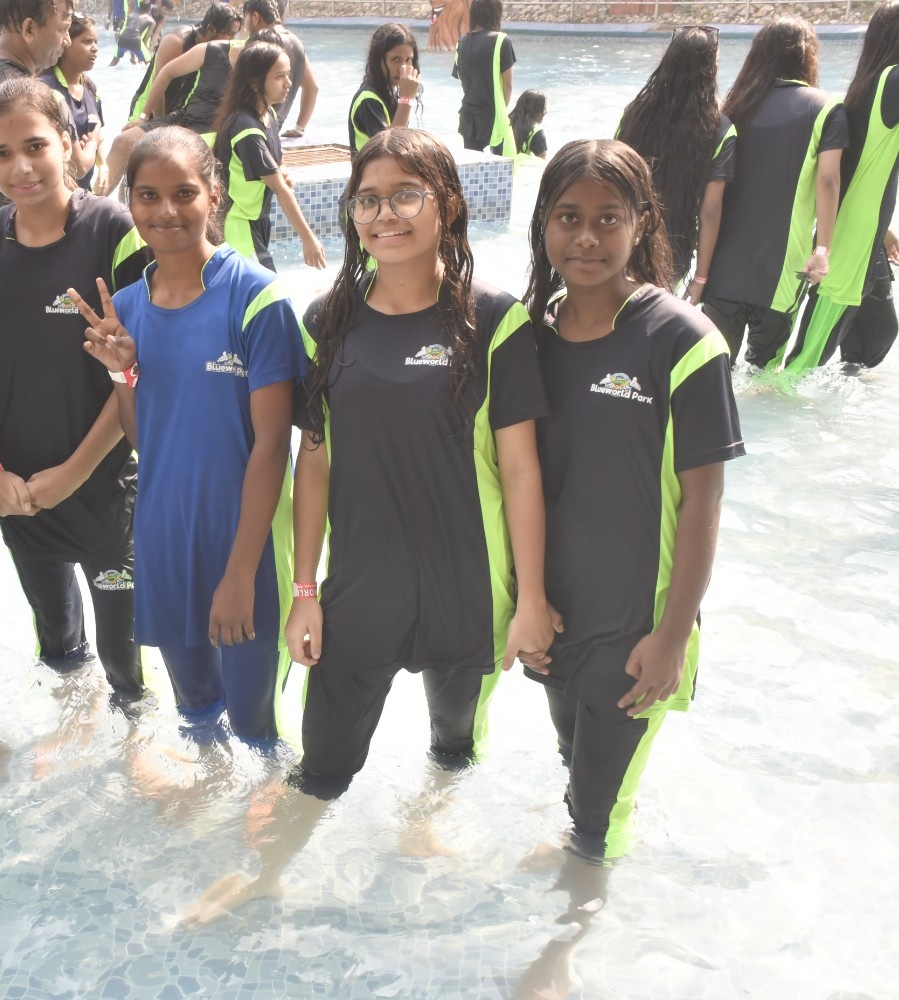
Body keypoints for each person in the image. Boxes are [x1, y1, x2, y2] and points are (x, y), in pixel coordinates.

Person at [181, 127, 554, 927]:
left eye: (406, 195)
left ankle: (424, 821)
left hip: (469, 588)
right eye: (368, 200)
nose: (385, 215)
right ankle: (267, 875)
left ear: (448, 204)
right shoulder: (327, 320)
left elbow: (522, 470)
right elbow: (311, 460)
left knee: (455, 741)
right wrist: (304, 591)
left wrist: (531, 599)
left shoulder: (496, 321)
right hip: (362, 589)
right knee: (323, 764)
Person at [522, 139, 743, 863]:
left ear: (641, 223)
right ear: (543, 224)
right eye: (568, 217)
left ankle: (579, 922)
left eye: (608, 218)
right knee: (574, 762)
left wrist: (672, 636)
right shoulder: (530, 338)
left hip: (638, 625)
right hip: (556, 616)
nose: (586, 237)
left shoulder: (683, 341)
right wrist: (524, 602)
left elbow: (705, 499)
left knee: (596, 819)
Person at [72, 126, 304, 744]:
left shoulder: (255, 298)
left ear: (214, 194)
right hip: (165, 534)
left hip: (246, 542)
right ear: (130, 201)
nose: (166, 211)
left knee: (256, 728)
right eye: (148, 196)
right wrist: (123, 372)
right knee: (196, 712)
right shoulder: (126, 307)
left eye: (183, 193)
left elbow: (271, 449)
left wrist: (240, 574)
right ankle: (206, 807)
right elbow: (144, 439)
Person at [0, 78, 150, 703]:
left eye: (35, 146)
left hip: (104, 488)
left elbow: (138, 372)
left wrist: (74, 473)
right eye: (0, 153)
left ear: (69, 142)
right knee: (57, 643)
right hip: (20, 492)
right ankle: (75, 734)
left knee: (124, 660)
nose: (20, 167)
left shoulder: (113, 231)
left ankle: (131, 748)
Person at [787, 0, 899, 373]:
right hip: (850, 238)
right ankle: (776, 395)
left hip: (866, 230)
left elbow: (858, 166)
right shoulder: (894, 81)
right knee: (809, 358)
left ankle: (842, 393)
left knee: (877, 331)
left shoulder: (883, 81)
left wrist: (882, 227)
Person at [701, 17, 844, 367]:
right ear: (808, 55)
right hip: (782, 270)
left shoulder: (734, 108)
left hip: (724, 267)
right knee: (764, 373)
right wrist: (823, 249)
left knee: (713, 368)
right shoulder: (827, 107)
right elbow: (828, 180)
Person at [617, 25, 735, 293]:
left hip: (622, 242)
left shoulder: (633, 115)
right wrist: (700, 279)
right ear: (711, 69)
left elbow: (613, 175)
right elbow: (710, 211)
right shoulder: (720, 130)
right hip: (672, 254)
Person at [0, 0, 74, 233]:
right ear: (29, 29)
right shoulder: (20, 97)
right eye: (62, 29)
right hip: (19, 235)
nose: (67, 40)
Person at [212, 38, 325, 270]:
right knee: (265, 287)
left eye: (289, 75)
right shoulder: (247, 130)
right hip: (239, 224)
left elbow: (277, 161)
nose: (289, 83)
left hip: (257, 220)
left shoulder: (267, 115)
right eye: (279, 76)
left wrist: (282, 169)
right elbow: (280, 189)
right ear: (254, 83)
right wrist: (308, 238)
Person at [105, 4, 241, 192]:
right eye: (229, 34)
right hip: (149, 103)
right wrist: (152, 121)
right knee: (131, 156)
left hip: (174, 108)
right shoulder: (177, 41)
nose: (232, 40)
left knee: (150, 167)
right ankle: (107, 198)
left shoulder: (215, 51)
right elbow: (160, 85)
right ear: (210, 28)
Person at [42, 13, 105, 191]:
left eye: (96, 42)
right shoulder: (47, 88)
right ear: (66, 43)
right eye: (87, 41)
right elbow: (80, 168)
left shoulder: (90, 87)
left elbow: (96, 131)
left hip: (83, 191)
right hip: (57, 193)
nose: (95, 48)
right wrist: (92, 143)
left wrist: (103, 165)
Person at [240, 0, 316, 137]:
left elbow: (240, 86)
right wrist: (299, 128)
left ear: (255, 17)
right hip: (275, 127)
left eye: (245, 18)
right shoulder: (296, 41)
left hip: (253, 125)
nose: (244, 26)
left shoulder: (261, 41)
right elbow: (312, 88)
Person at [348, 23, 420, 156]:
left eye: (408, 60)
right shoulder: (368, 100)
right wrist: (406, 99)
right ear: (378, 60)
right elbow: (389, 152)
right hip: (371, 170)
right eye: (395, 59)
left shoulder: (391, 94)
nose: (403, 67)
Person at [454, 0, 514, 155]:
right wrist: (502, 110)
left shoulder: (462, 42)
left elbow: (461, 76)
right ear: (496, 13)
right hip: (493, 115)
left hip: (468, 116)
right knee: (501, 165)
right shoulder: (501, 40)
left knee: (473, 164)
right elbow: (508, 84)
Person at [109, 0, 151, 67]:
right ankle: (134, 57)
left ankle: (134, 57)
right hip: (136, 34)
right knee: (148, 62)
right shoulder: (149, 20)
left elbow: (130, 7)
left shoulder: (131, 12)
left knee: (115, 61)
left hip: (126, 33)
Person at [510, 86, 547, 160]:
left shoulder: (505, 122)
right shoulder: (536, 131)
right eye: (543, 109)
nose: (545, 112)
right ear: (536, 110)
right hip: (519, 167)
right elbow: (542, 160)